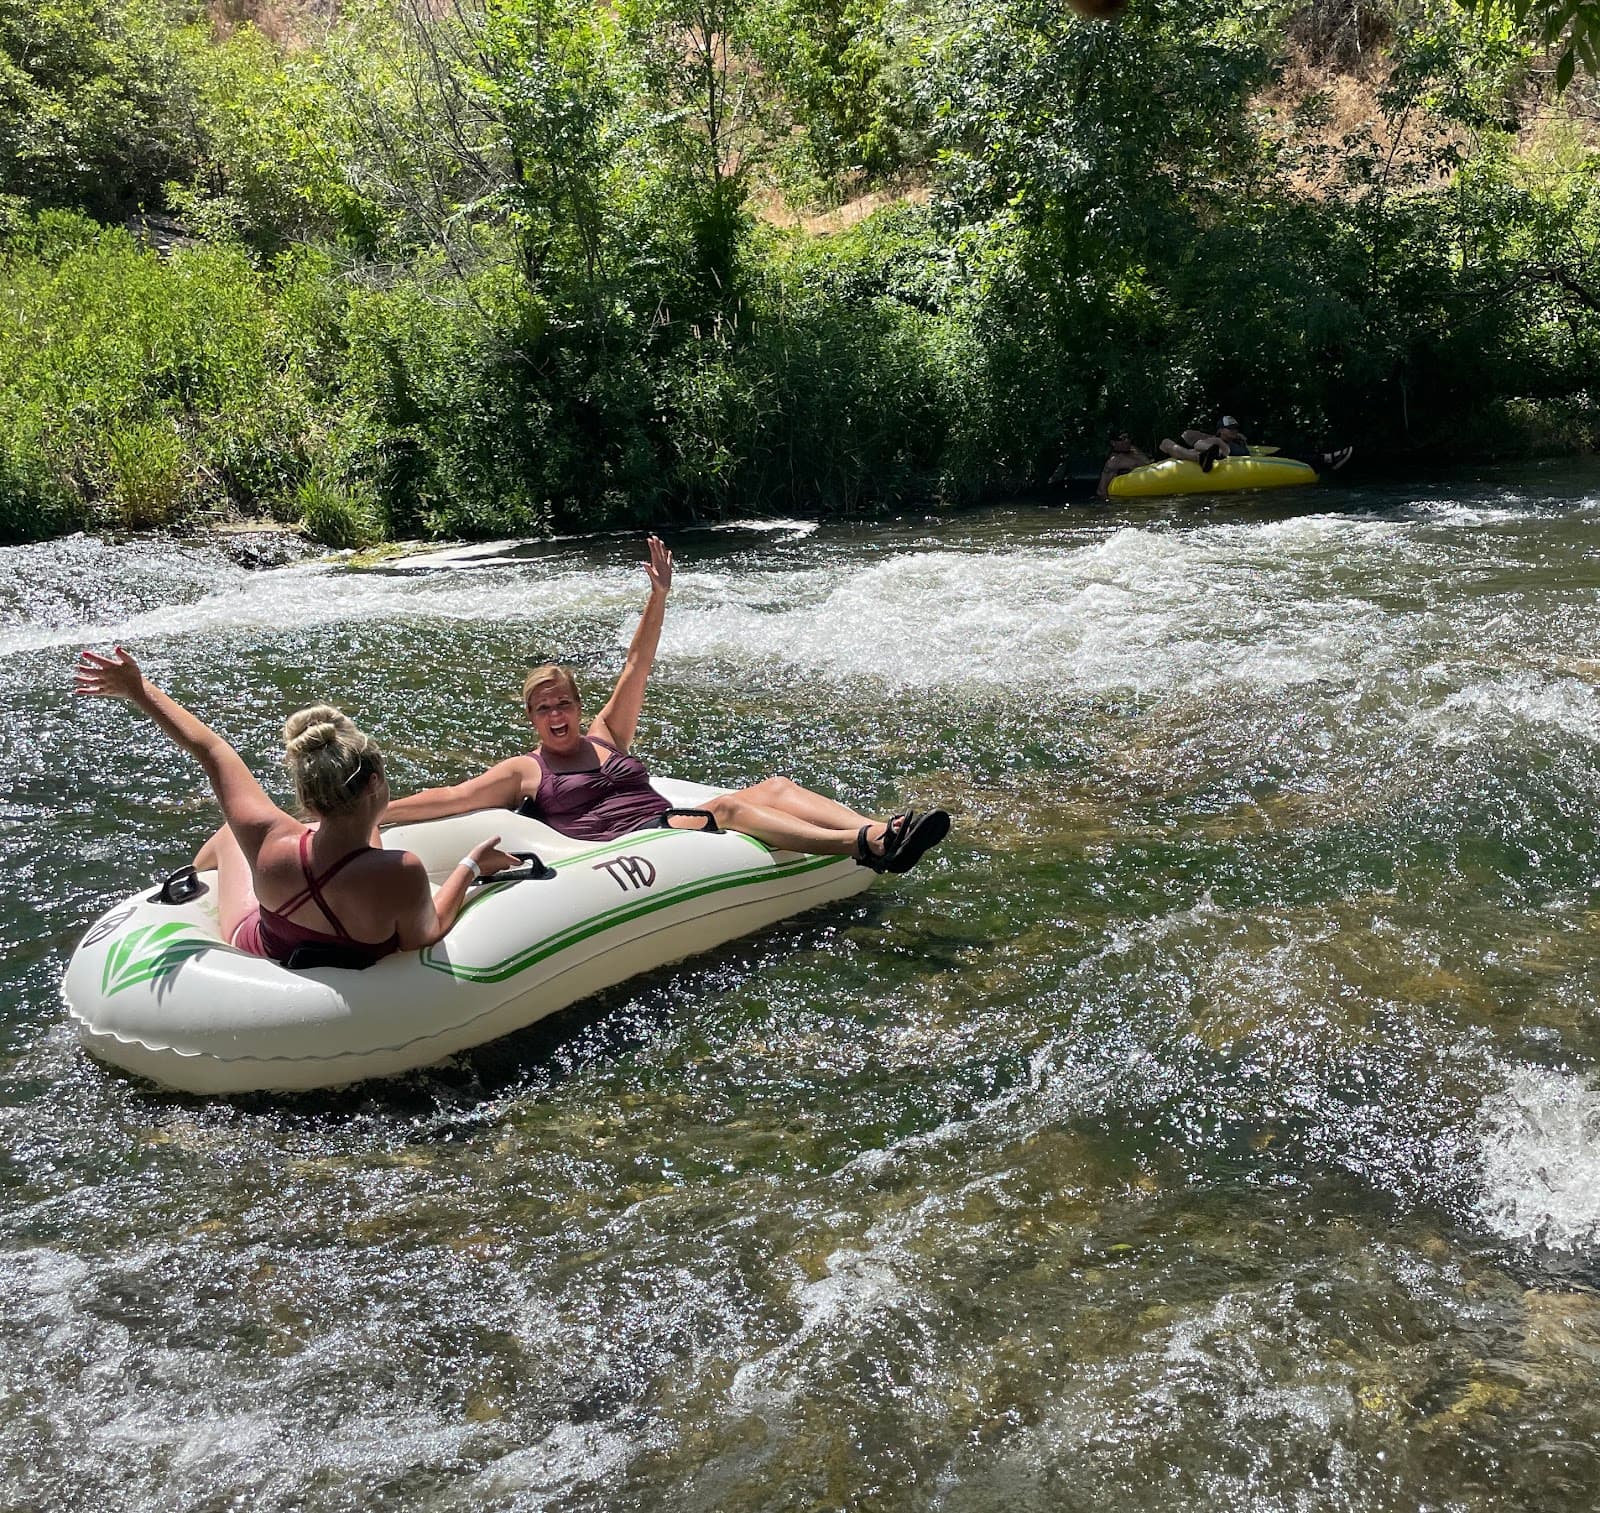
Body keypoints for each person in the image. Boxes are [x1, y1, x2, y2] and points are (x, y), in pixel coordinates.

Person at [382, 536, 951, 874]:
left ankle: (883, 829)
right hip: (634, 844)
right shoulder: (524, 771)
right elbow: (452, 798)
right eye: (543, 709)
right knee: (729, 809)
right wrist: (372, 813)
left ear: (577, 707)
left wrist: (659, 595)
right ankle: (863, 845)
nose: (556, 716)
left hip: (666, 820)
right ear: (532, 718)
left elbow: (637, 664)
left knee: (776, 785)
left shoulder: (606, 734)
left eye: (563, 704)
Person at [73, 647, 519, 966]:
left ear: (309, 796)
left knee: (232, 833)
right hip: (352, 929)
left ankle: (196, 874)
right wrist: (471, 866)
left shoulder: (269, 839)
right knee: (308, 845)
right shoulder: (399, 871)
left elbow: (211, 749)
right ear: (375, 784)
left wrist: (139, 689)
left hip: (264, 943)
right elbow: (425, 934)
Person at [1097, 432, 1152, 497]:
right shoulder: (1113, 462)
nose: (1127, 440)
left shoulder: (1134, 450)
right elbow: (1101, 491)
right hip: (1129, 498)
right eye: (1122, 438)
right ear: (1113, 443)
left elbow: (1149, 465)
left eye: (1128, 438)